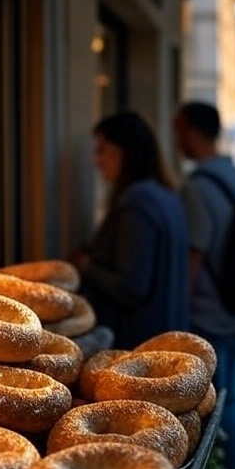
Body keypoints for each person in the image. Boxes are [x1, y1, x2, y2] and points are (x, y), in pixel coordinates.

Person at [172, 100, 235, 469]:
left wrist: (179, 316)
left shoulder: (196, 187)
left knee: (219, 407)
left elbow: (195, 254)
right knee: (232, 397)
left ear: (190, 130)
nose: (175, 138)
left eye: (177, 129)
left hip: (208, 314)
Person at [71, 110, 189, 349]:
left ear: (123, 152)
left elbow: (131, 287)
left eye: (102, 149)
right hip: (163, 334)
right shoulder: (166, 195)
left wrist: (86, 265)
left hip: (137, 341)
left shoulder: (138, 202)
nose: (96, 160)